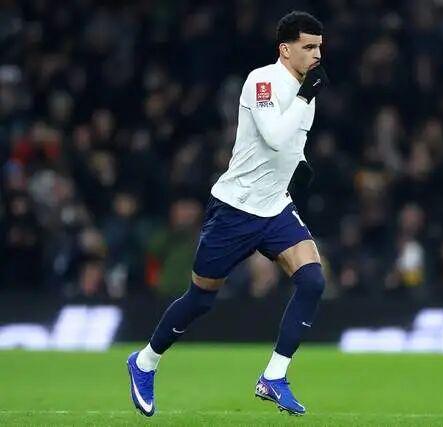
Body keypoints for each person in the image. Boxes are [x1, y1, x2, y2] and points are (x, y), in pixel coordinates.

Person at [126, 11, 329, 417]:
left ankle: (274, 376)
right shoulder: (262, 81)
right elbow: (274, 137)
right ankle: (145, 361)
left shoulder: (307, 91)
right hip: (235, 209)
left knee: (313, 280)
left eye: (319, 47)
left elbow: (291, 145)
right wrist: (306, 97)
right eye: (308, 47)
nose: (317, 55)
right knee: (200, 299)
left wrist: (302, 167)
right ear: (285, 49)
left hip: (275, 207)